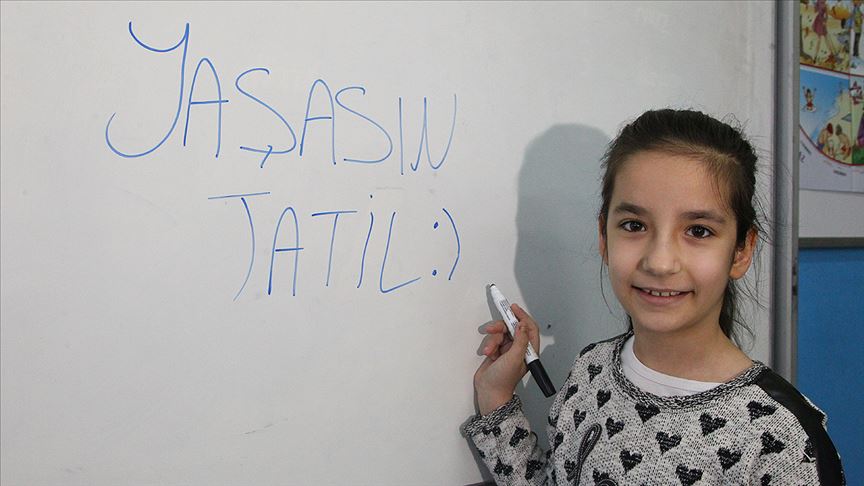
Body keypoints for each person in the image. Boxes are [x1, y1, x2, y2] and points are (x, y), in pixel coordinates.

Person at [463, 109, 845, 484]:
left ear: (741, 251)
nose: (660, 262)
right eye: (634, 225)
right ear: (604, 237)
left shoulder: (780, 442)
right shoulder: (592, 369)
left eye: (698, 231)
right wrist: (495, 395)